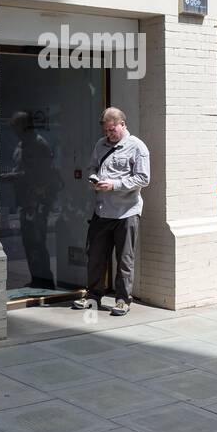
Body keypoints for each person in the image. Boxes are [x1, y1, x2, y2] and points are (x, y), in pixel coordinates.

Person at [73, 107, 150, 316]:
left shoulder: (137, 147)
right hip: (102, 211)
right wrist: (94, 179)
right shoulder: (101, 145)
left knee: (125, 258)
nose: (109, 134)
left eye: (112, 130)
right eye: (106, 131)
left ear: (122, 124)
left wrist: (114, 185)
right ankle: (93, 296)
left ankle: (123, 300)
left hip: (127, 212)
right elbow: (92, 167)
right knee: (96, 255)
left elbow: (143, 178)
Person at [1, 110, 61, 289]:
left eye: (16, 127)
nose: (14, 131)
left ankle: (45, 282)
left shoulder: (38, 145)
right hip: (26, 202)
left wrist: (13, 176)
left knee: (36, 242)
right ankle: (37, 279)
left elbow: (41, 175)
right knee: (30, 243)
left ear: (24, 126)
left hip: (36, 202)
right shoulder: (24, 144)